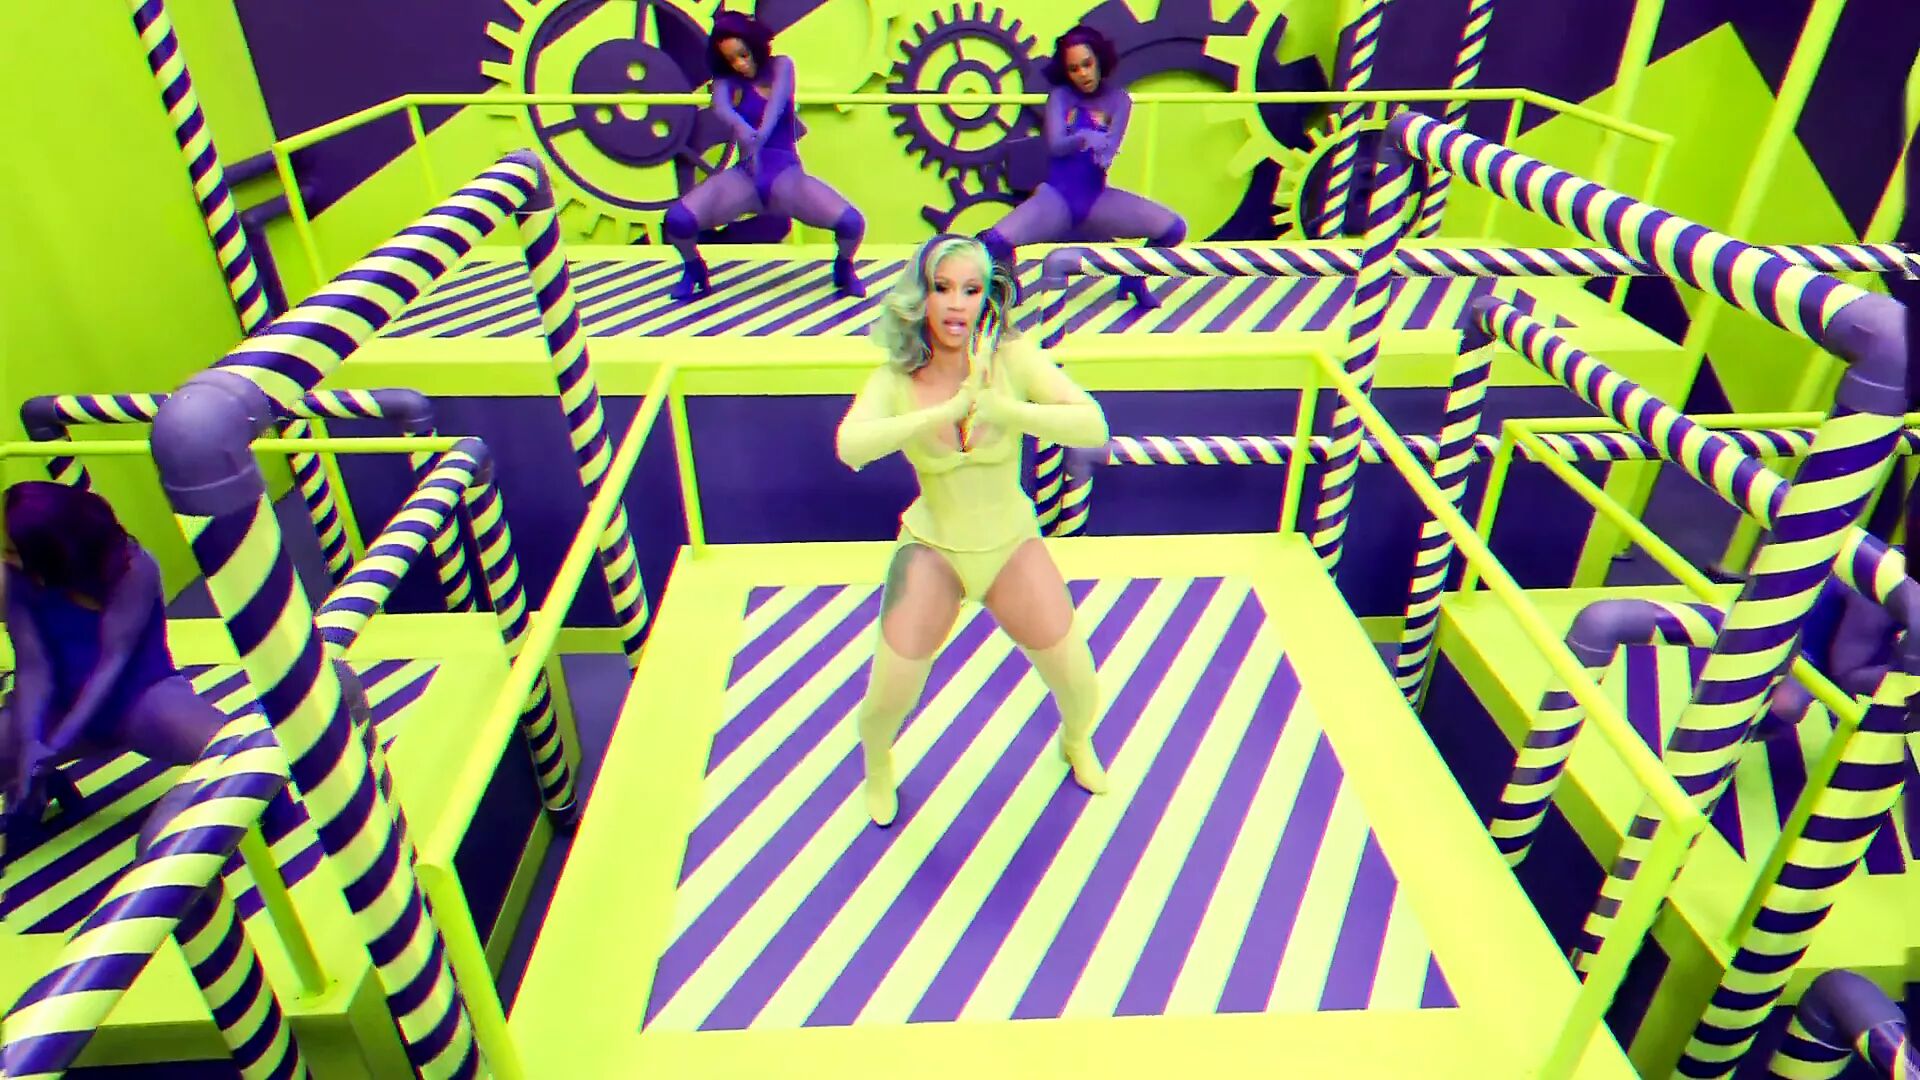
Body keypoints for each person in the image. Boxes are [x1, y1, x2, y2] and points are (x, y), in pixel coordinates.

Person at [835, 234, 1111, 827]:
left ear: (988, 296)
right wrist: (941, 413)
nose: (956, 303)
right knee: (888, 698)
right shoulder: (895, 377)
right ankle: (877, 765)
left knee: (1080, 686)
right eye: (942, 288)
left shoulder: (1013, 357)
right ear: (921, 296)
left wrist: (1006, 410)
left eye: (971, 288)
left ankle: (1074, 741)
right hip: (934, 549)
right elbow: (851, 447)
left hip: (1011, 546)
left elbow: (1093, 426)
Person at [0, 482, 222, 835]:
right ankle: (37, 787)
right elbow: (32, 666)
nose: (4, 558)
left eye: (11, 550)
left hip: (139, 697)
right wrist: (31, 741)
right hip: (60, 703)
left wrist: (56, 743)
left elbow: (112, 663)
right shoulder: (16, 577)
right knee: (12, 740)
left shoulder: (134, 567)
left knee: (225, 746)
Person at [662, 10, 868, 301]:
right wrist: (741, 127)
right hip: (745, 178)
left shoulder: (781, 65)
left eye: (743, 55)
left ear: (755, 47)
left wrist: (760, 134)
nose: (739, 64)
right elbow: (721, 107)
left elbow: (778, 102)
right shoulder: (727, 82)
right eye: (731, 59)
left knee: (851, 223)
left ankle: (844, 266)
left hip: (785, 175)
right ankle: (694, 268)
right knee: (678, 220)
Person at [977, 24, 1186, 310]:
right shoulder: (1061, 97)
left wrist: (1103, 149)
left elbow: (1109, 151)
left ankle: (1134, 278)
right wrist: (1084, 137)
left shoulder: (1119, 101)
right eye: (1074, 69)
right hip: (1057, 199)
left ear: (1099, 60)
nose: (1083, 74)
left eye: (1087, 64)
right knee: (990, 242)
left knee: (1173, 228)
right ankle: (1007, 279)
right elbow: (1055, 145)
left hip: (1095, 201)